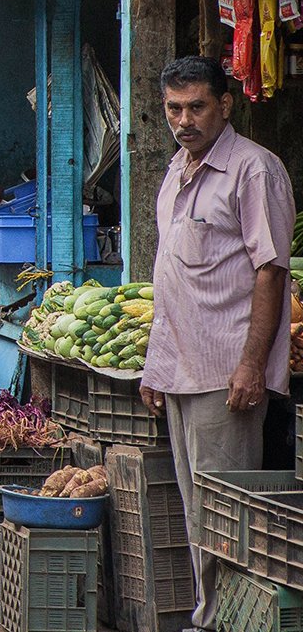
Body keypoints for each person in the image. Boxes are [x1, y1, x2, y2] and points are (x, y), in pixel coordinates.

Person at [138, 56, 295, 629]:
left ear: (225, 105)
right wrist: (156, 364)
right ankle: (212, 618)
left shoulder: (255, 171)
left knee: (227, 517)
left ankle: (221, 622)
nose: (185, 119)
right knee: (197, 512)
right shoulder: (178, 169)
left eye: (197, 107)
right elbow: (170, 274)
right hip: (181, 365)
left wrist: (253, 365)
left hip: (226, 372)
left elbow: (271, 270)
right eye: (174, 108)